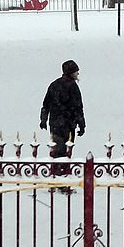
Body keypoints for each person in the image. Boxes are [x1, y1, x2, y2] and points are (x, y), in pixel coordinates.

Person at [40, 60, 86, 188]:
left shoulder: (54, 85)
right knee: (66, 151)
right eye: (76, 71)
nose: (78, 74)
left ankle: (56, 177)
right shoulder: (72, 86)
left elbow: (46, 104)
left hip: (55, 124)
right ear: (70, 72)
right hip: (68, 124)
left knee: (56, 151)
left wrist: (43, 119)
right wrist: (81, 124)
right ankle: (62, 180)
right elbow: (78, 107)